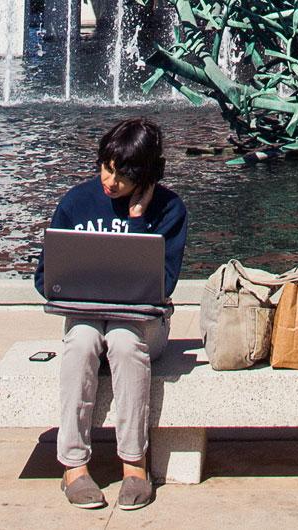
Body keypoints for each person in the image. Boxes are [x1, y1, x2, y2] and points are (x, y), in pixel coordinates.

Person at [34, 117, 187, 510]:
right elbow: (43, 276)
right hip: (85, 315)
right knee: (82, 340)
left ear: (147, 175)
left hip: (142, 323)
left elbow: (162, 285)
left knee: (122, 340)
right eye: (106, 166)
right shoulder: (75, 202)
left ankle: (134, 464)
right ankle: (73, 466)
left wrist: (138, 221)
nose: (110, 181)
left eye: (122, 175)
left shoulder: (169, 210)